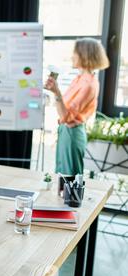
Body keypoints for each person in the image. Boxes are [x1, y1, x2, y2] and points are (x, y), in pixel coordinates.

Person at [45, 38, 110, 176]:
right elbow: (65, 110)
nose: (71, 56)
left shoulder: (88, 84)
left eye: (75, 52)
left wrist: (56, 92)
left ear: (84, 55)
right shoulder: (79, 79)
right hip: (66, 132)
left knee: (69, 178)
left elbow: (66, 117)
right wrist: (55, 92)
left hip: (72, 133)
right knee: (61, 175)